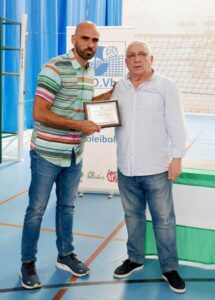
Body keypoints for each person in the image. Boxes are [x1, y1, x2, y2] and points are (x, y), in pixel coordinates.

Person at [20, 21, 113, 289]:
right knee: (36, 211)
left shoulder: (88, 69)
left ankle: (65, 255)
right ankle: (28, 262)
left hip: (74, 154)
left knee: (67, 207)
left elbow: (81, 107)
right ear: (73, 39)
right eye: (85, 39)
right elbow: (39, 113)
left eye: (95, 40)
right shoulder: (54, 68)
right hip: (47, 154)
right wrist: (78, 125)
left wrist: (109, 96)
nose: (90, 45)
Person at [111, 41, 187, 293]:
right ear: (126, 62)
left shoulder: (166, 86)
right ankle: (134, 259)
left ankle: (169, 267)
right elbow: (113, 119)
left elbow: (176, 123)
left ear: (151, 58)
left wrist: (176, 157)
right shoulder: (119, 87)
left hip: (155, 168)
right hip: (126, 168)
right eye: (131, 55)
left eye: (142, 54)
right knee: (132, 218)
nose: (137, 59)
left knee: (164, 221)